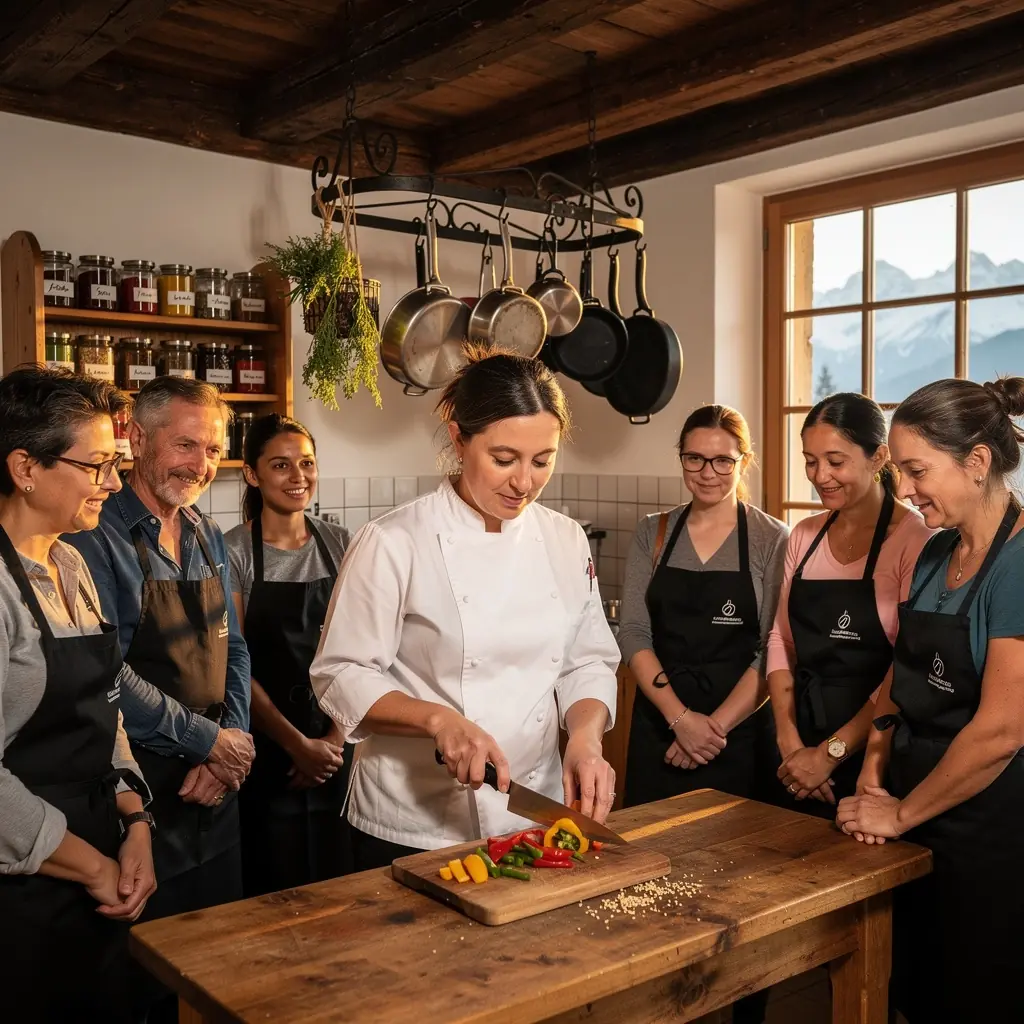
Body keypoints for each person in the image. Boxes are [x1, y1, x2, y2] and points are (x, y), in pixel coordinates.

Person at [310, 350, 619, 871]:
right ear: (458, 439)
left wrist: (585, 740)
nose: (524, 482)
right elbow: (340, 674)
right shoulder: (393, 541)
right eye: (504, 459)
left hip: (531, 814)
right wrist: (438, 720)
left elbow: (586, 661)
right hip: (412, 823)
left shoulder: (565, 539)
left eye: (542, 460)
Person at [66, 376, 253, 1023]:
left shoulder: (205, 531)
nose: (200, 464)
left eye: (212, 448)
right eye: (186, 445)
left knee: (220, 970)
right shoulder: (97, 535)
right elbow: (105, 673)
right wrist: (208, 741)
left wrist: (233, 740)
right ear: (137, 439)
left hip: (215, 793)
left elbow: (236, 647)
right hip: (139, 792)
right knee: (144, 982)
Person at [837, 377, 1024, 1023]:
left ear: (977, 462)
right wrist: (871, 772)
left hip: (989, 823)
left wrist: (900, 814)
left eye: (917, 471)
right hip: (911, 807)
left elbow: (1001, 730)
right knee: (906, 986)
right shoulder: (934, 550)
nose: (905, 490)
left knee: (973, 991)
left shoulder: (1020, 564)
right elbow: (902, 673)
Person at [0, 367, 155, 1022]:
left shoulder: (72, 563)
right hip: (22, 897)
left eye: (115, 465)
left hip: (98, 870)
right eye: (97, 466)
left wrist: (136, 818)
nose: (114, 484)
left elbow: (104, 709)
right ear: (25, 468)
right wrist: (90, 865)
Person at [766, 393, 932, 815]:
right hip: (794, 752)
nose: (820, 476)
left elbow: (905, 668)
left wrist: (828, 755)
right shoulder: (803, 535)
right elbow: (780, 640)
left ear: (878, 458)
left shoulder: (915, 541)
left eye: (835, 461)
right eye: (810, 461)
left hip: (873, 753)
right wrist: (789, 744)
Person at [619, 404, 788, 804]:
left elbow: (773, 649)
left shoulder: (772, 539)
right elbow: (634, 633)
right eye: (694, 459)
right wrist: (679, 720)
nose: (708, 472)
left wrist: (709, 731)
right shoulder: (653, 533)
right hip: (659, 726)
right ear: (682, 457)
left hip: (736, 735)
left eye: (723, 461)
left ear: (744, 462)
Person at [226, 414, 352, 896]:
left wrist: (334, 740)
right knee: (274, 888)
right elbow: (235, 664)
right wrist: (297, 744)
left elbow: (358, 650)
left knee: (340, 887)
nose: (298, 476)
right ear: (253, 474)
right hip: (268, 746)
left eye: (306, 463)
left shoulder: (339, 543)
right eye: (281, 465)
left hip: (336, 747)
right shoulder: (232, 550)